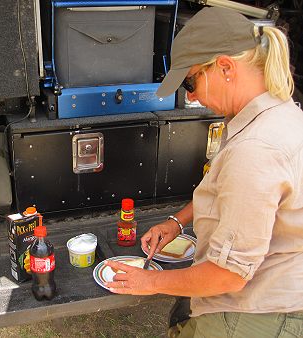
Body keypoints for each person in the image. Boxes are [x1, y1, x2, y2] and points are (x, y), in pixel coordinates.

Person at [104, 6, 303, 338]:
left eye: (190, 81)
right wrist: (177, 221)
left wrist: (149, 281)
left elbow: (230, 274)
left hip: (252, 316)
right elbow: (235, 191)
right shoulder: (280, 114)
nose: (191, 96)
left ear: (224, 67)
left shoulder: (255, 148)